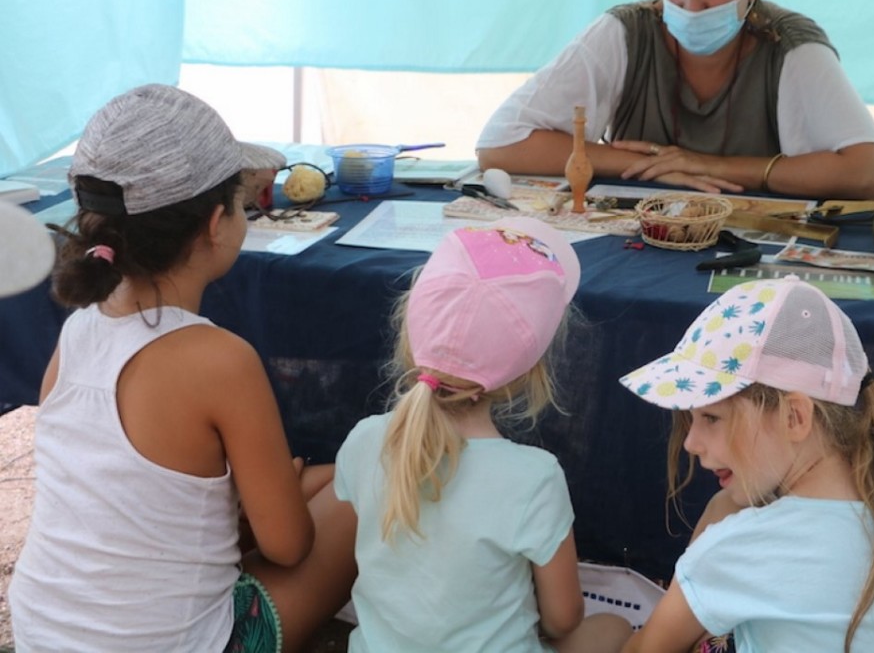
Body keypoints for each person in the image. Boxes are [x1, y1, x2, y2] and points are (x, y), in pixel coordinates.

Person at [8, 84, 358, 652]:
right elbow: (288, 547)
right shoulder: (220, 360)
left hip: (43, 634)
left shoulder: (78, 329)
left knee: (335, 478)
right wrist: (267, 506)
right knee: (365, 490)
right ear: (216, 223)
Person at [616, 276, 874, 653]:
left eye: (712, 418)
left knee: (609, 631)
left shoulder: (742, 547)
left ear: (795, 417)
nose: (691, 443)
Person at [333, 216, 632, 652]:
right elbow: (562, 619)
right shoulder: (534, 477)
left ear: (411, 332)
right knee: (614, 628)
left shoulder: (365, 439)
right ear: (531, 370)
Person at [477, 0, 874, 200]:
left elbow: (868, 173)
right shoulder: (626, 31)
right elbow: (500, 146)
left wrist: (710, 166)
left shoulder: (790, 46)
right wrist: (650, 164)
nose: (691, 6)